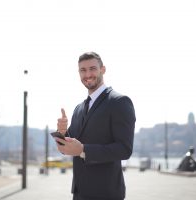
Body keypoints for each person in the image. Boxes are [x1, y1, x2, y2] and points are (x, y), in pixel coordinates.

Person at [54, 52, 136, 200]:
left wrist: (84, 150)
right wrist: (62, 133)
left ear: (102, 70)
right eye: (83, 70)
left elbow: (125, 149)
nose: (88, 74)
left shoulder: (119, 102)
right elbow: (67, 148)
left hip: (106, 193)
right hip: (79, 193)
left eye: (92, 68)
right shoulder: (78, 109)